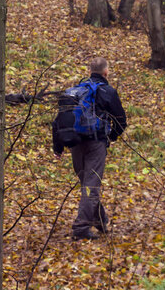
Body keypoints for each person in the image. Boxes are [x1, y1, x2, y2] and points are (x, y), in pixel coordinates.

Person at [53, 57, 127, 240]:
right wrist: (111, 136)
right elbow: (121, 121)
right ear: (106, 72)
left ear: (89, 72)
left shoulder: (75, 91)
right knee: (91, 185)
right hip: (96, 143)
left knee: (88, 184)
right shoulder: (108, 91)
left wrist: (58, 147)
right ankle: (80, 227)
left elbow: (59, 120)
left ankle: (100, 221)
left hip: (75, 143)